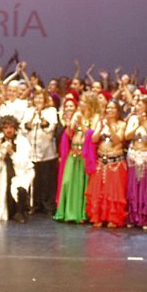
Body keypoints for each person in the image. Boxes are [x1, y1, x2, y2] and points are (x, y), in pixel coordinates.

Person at [85, 99, 128, 228]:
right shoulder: (101, 122)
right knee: (98, 191)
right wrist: (102, 127)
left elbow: (118, 140)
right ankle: (97, 216)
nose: (109, 110)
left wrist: (110, 127)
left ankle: (113, 218)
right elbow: (94, 139)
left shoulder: (121, 124)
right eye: (108, 108)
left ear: (118, 111)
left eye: (112, 108)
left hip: (115, 162)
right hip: (101, 161)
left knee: (113, 192)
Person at [54, 92, 96, 223]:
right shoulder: (77, 115)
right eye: (81, 101)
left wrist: (82, 125)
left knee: (82, 185)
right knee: (68, 182)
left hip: (85, 155)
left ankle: (81, 214)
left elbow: (92, 136)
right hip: (73, 153)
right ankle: (68, 212)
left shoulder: (95, 117)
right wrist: (68, 123)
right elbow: (70, 135)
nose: (81, 104)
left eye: (84, 102)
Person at [123, 96, 147, 230]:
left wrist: (144, 123)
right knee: (133, 186)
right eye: (137, 104)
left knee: (146, 187)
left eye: (141, 104)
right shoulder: (133, 119)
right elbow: (127, 136)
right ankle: (132, 216)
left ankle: (146, 217)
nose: (138, 106)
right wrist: (137, 123)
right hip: (134, 155)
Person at [21, 88, 59, 216]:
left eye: (40, 98)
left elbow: (50, 128)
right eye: (36, 98)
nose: (38, 100)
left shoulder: (51, 111)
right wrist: (32, 117)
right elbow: (24, 128)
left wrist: (41, 116)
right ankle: (34, 205)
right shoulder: (28, 111)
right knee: (34, 180)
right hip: (32, 151)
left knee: (47, 180)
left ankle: (48, 206)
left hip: (47, 152)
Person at [0, 114, 34, 222]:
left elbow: (24, 163)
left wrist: (12, 153)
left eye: (11, 127)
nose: (8, 130)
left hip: (21, 173)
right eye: (5, 128)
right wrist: (2, 156)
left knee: (21, 189)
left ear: (15, 128)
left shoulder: (23, 141)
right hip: (5, 174)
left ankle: (21, 212)